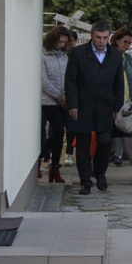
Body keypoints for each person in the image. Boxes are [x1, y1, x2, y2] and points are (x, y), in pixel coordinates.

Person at [65, 20, 125, 195]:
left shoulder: (114, 55)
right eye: (98, 37)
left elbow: (119, 83)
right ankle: (85, 181)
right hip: (83, 106)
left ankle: (100, 173)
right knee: (83, 144)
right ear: (92, 36)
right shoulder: (78, 53)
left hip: (106, 107)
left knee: (105, 142)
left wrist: (117, 106)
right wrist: (72, 104)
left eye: (105, 38)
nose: (101, 41)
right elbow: (70, 81)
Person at [41, 25, 70, 183]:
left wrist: (65, 94)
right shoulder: (43, 55)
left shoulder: (64, 56)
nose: (62, 45)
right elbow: (43, 80)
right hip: (48, 100)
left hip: (62, 100)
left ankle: (55, 168)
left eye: (64, 42)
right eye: (60, 42)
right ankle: (39, 156)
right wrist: (57, 95)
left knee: (59, 135)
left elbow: (67, 76)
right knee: (58, 130)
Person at [110, 28, 132, 172]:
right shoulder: (109, 55)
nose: (127, 45)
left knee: (126, 133)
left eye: (129, 43)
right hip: (111, 102)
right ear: (117, 40)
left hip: (126, 101)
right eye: (125, 42)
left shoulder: (127, 58)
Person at [63, 30, 78, 166]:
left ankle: (69, 152)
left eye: (71, 41)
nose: (69, 44)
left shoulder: (77, 56)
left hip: (71, 98)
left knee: (71, 128)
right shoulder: (61, 56)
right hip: (57, 97)